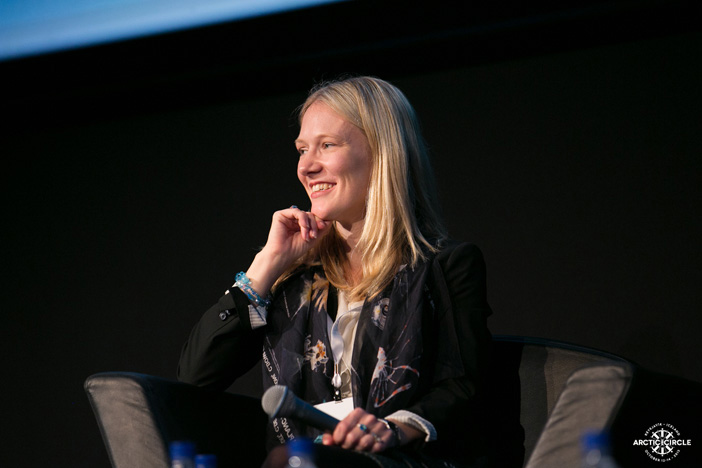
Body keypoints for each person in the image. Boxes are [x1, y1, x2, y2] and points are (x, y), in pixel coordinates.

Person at [178, 76, 492, 468]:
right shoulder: (293, 278)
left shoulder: (445, 267)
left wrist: (394, 428)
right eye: (302, 149)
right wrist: (267, 264)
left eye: (327, 145)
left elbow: (462, 387)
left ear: (381, 152)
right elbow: (196, 379)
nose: (306, 166)